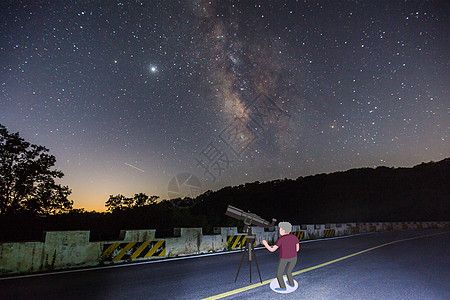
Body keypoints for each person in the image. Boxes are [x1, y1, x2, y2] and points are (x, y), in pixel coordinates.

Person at [262, 221, 299, 291]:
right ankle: (291, 283)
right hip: (294, 258)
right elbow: (297, 249)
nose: (279, 230)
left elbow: (272, 249)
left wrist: (265, 244)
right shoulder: (294, 237)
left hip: (284, 258)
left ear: (283, 230)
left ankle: (283, 287)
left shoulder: (281, 239)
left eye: (280, 229)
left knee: (279, 274)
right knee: (289, 271)